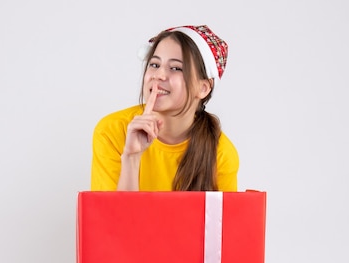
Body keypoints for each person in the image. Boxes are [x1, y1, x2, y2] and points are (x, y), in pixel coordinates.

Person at [90, 25, 239, 191]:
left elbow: (224, 217)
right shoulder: (112, 131)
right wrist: (131, 158)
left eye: (176, 68)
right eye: (154, 64)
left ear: (203, 88)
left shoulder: (221, 153)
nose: (159, 75)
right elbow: (110, 216)